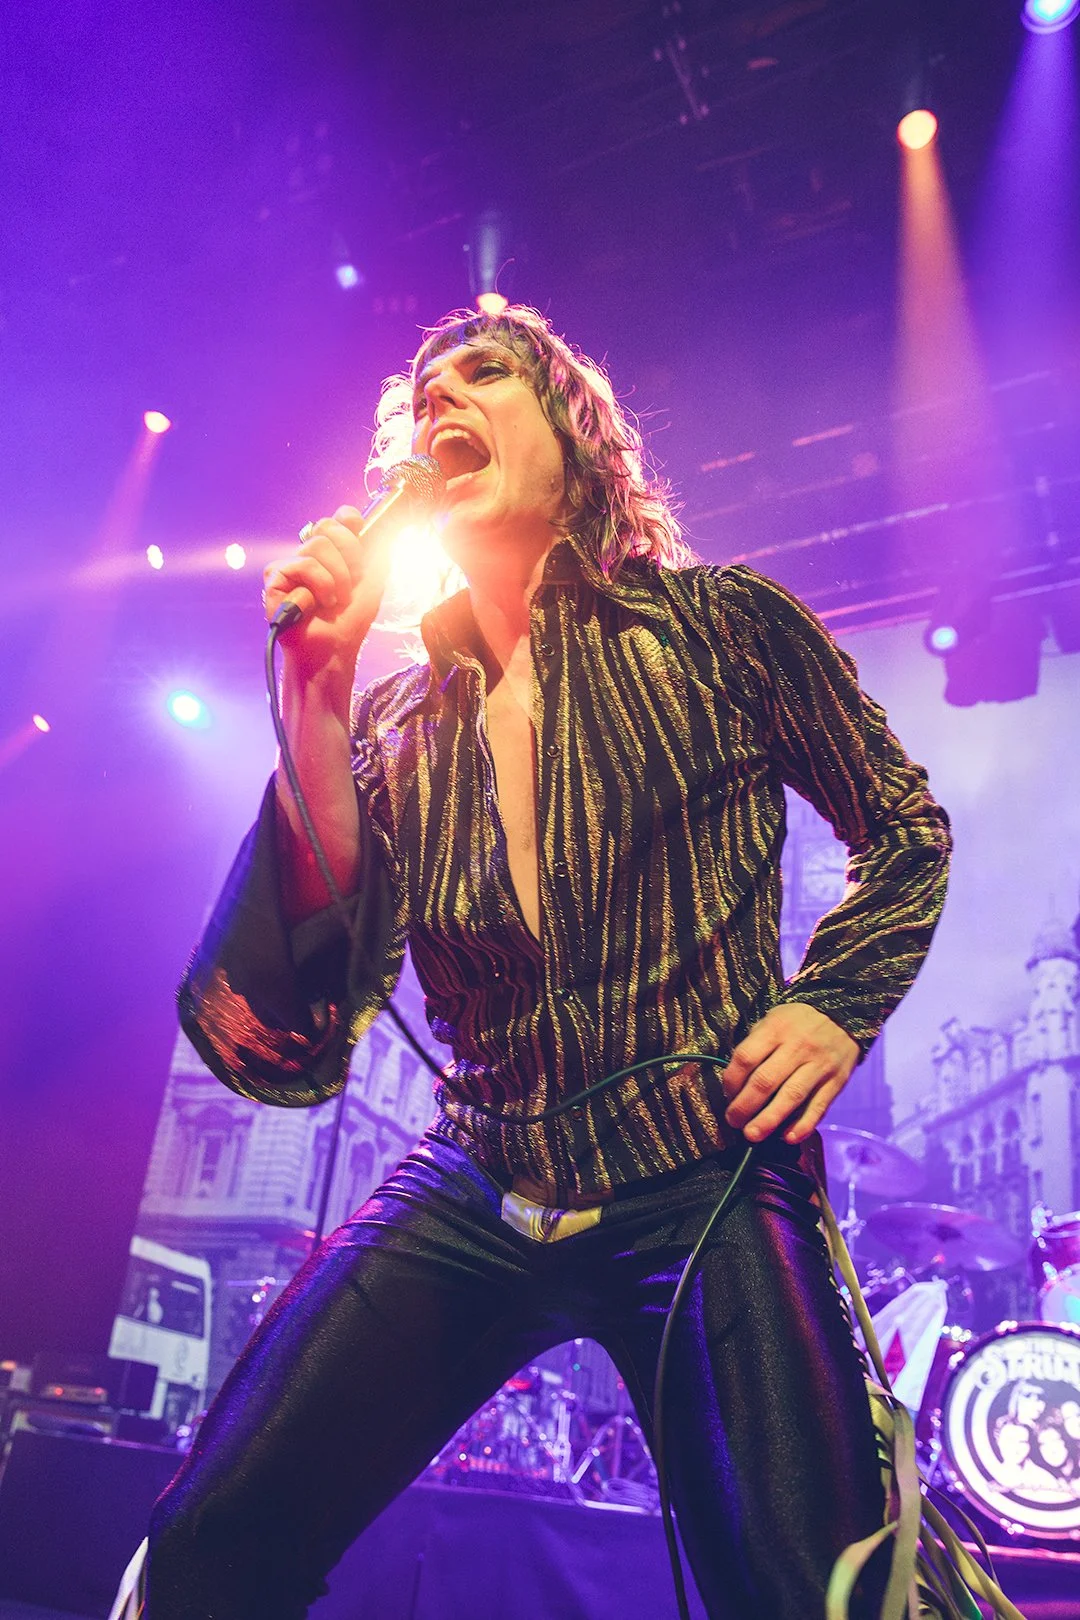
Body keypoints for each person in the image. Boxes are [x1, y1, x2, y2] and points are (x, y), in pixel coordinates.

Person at [147, 305, 952, 1619]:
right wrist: (315, 687)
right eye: (419, 392)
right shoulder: (398, 715)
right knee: (208, 1545)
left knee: (814, 1592)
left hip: (702, 1164)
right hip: (479, 1167)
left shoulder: (720, 629)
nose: (437, 395)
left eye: (482, 373)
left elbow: (907, 831)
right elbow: (295, 1016)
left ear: (579, 441)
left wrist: (832, 1003)